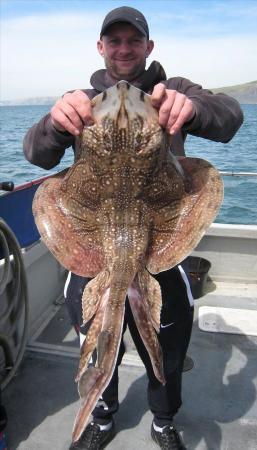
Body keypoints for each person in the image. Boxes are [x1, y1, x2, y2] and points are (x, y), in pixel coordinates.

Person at [23, 6, 243, 450]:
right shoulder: (81, 99)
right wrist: (55, 123)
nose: (124, 49)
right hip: (94, 246)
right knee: (97, 336)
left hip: (161, 243)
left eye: (133, 40)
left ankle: (163, 420)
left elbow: (230, 117)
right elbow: (36, 153)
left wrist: (193, 109)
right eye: (115, 41)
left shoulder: (174, 89)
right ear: (101, 47)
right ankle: (101, 417)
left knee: (169, 342)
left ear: (149, 46)